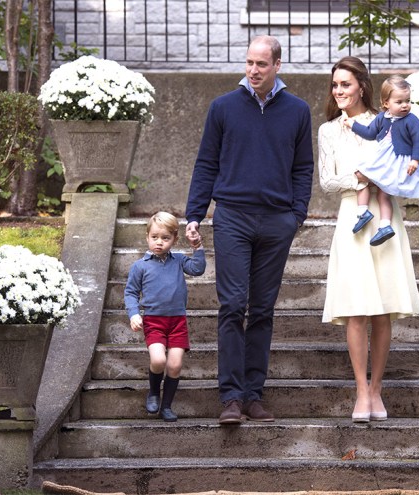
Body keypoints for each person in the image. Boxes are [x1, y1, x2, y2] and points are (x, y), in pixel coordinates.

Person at [185, 35, 314, 425]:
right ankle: (231, 399)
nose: (253, 70)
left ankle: (254, 395)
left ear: (277, 65)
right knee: (231, 306)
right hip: (233, 218)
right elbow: (206, 163)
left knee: (261, 310)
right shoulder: (223, 107)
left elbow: (303, 167)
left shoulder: (298, 110)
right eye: (249, 63)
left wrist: (297, 215)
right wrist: (195, 213)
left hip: (277, 221)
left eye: (261, 64)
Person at [318, 57, 419, 423]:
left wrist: (389, 176)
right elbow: (327, 182)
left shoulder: (387, 121)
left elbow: (409, 158)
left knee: (382, 309)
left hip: (383, 215)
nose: (339, 91)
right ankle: (360, 391)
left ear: (361, 85)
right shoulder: (329, 131)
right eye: (335, 86)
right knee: (356, 308)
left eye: (345, 84)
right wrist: (361, 178)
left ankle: (377, 389)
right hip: (351, 215)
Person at [124, 211, 206, 422]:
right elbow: (131, 292)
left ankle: (167, 406)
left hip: (177, 321)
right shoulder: (140, 266)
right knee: (159, 359)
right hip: (154, 321)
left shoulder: (178, 260)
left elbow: (197, 269)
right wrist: (134, 314)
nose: (159, 242)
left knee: (175, 365)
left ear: (174, 239)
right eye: (154, 237)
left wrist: (197, 247)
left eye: (165, 238)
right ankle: (153, 392)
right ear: (147, 237)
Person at [343, 75, 419, 246]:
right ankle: (365, 213)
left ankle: (383, 224)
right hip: (383, 159)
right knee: (363, 178)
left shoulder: (411, 120)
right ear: (386, 103)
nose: (405, 105)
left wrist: (415, 160)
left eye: (407, 100)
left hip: (398, 162)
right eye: (399, 102)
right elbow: (370, 133)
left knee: (383, 192)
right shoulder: (382, 118)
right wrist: (353, 125)